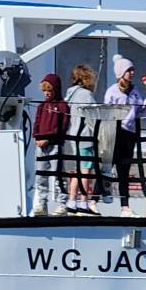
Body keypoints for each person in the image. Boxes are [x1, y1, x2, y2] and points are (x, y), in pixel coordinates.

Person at [102, 55, 146, 204]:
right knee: (108, 166)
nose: (132, 73)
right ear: (120, 73)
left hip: (130, 133)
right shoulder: (112, 91)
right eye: (128, 70)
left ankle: (125, 205)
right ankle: (98, 198)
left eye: (132, 70)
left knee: (124, 168)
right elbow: (106, 112)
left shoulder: (135, 91)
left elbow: (141, 112)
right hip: (116, 131)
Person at [32, 73, 70, 214]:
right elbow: (36, 122)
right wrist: (36, 137)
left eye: (49, 90)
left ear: (56, 89)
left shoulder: (62, 106)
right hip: (41, 146)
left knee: (59, 175)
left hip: (55, 145)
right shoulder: (42, 106)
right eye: (44, 90)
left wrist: (49, 139)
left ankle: (62, 204)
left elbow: (62, 127)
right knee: (41, 176)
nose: (47, 93)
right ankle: (42, 204)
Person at [64, 63, 100, 208]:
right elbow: (94, 116)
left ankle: (72, 200)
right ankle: (84, 201)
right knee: (85, 170)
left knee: (78, 169)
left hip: (73, 134)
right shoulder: (86, 95)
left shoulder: (70, 94)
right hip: (85, 136)